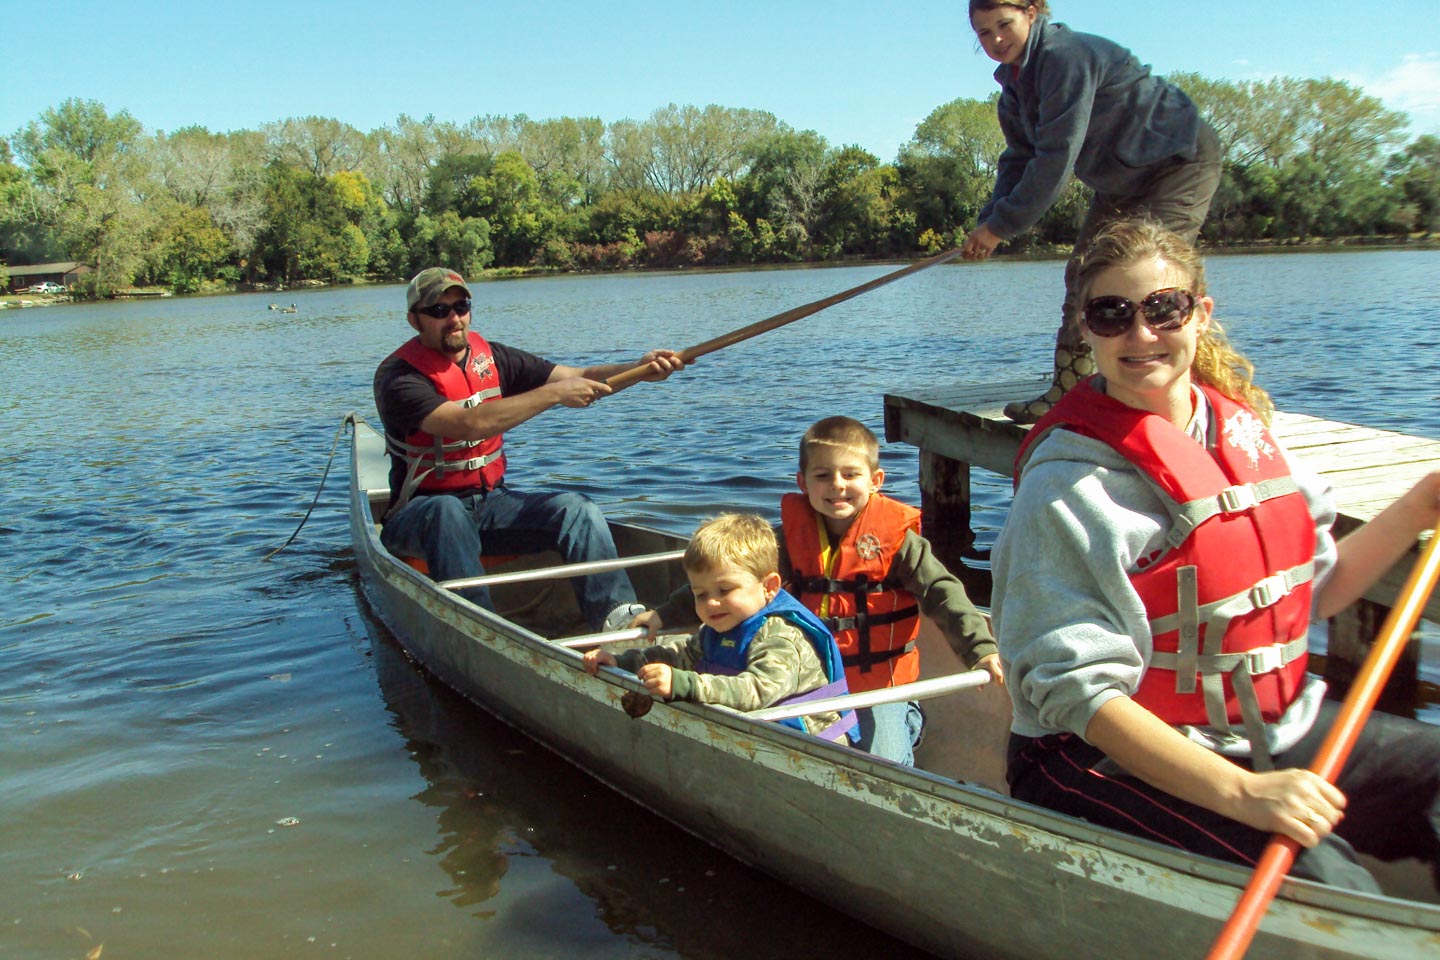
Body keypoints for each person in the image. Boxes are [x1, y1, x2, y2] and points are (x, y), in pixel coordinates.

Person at [992, 218, 1440, 891]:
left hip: (1264, 732)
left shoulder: (1244, 434)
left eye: (1163, 308)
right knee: (1323, 884)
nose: (1140, 335)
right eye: (1111, 315)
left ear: (1200, 314)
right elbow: (1075, 694)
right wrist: (1244, 796)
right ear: (1084, 330)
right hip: (1093, 754)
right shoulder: (1066, 486)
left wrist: (1418, 508)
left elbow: (1316, 590)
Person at [633, 417, 1002, 765]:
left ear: (876, 480)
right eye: (823, 475)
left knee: (882, 762)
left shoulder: (900, 543)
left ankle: (908, 720)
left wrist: (980, 650)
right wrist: (665, 613)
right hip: (812, 679)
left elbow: (943, 593)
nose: (837, 485)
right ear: (802, 481)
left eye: (850, 474)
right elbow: (723, 579)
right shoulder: (789, 539)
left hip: (880, 685)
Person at [374, 266, 686, 631]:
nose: (454, 319)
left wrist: (640, 369)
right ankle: (482, 628)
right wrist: (553, 396)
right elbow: (467, 423)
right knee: (447, 512)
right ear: (415, 320)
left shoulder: (491, 357)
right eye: (439, 311)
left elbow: (576, 376)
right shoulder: (398, 378)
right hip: (419, 515)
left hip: (490, 504)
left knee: (576, 509)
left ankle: (617, 617)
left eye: (461, 307)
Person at [960, 1, 1223, 424]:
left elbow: (1055, 156)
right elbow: (1018, 158)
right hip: (1120, 178)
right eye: (984, 33)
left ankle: (1203, 394)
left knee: (1158, 279)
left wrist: (1001, 227)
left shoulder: (1065, 58)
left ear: (1032, 12)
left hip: (1177, 161)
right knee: (1085, 273)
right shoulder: (1014, 88)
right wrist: (988, 221)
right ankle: (1068, 392)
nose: (995, 40)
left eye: (1004, 25)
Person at [583, 513, 856, 742]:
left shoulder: (780, 635)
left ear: (769, 587)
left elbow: (757, 689)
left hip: (808, 746)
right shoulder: (721, 625)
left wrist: (686, 684)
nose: (712, 603)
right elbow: (681, 655)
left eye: (725, 590)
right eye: (700, 595)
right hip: (759, 735)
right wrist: (622, 661)